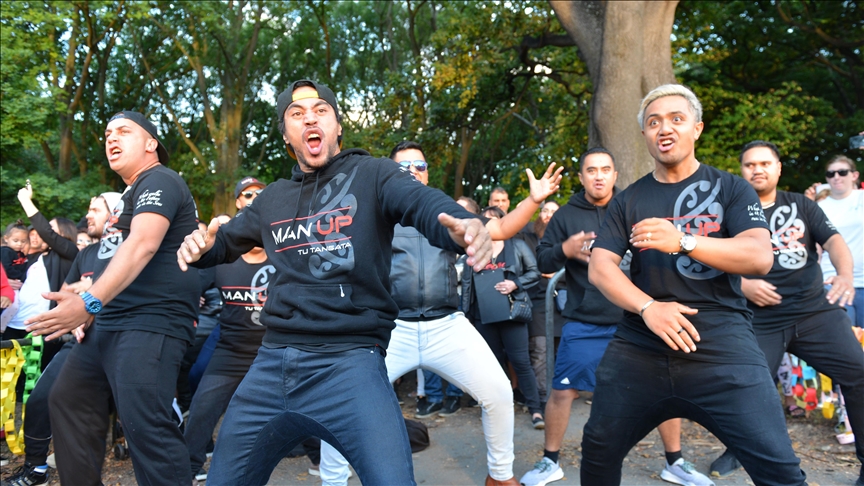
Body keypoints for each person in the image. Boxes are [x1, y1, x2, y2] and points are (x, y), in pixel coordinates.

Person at [175, 79, 494, 486]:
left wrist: (462, 225)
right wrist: (199, 245)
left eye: (321, 109)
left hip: (350, 363)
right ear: (287, 135)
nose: (310, 117)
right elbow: (222, 243)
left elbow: (421, 203)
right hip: (272, 364)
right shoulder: (272, 198)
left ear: (338, 126)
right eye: (297, 113)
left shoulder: (374, 173)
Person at [582, 84, 807, 485]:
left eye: (676, 119)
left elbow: (759, 257)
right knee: (598, 450)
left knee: (780, 469)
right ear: (645, 136)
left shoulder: (732, 188)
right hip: (641, 345)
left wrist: (684, 242)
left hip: (722, 344)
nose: (663, 128)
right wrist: (649, 308)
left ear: (697, 128)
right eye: (653, 123)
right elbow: (601, 268)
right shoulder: (627, 200)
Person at [318, 140, 563, 486]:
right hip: (390, 330)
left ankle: (500, 476)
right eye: (404, 167)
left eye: (419, 166)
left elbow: (500, 230)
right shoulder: (369, 216)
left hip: (447, 326)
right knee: (341, 403)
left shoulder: (443, 211)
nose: (413, 172)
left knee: (498, 392)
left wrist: (534, 200)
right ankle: (332, 481)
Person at [25, 111, 201, 486]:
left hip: (150, 323)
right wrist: (85, 295)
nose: (111, 138)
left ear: (151, 143)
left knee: (146, 427)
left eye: (124, 131)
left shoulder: (161, 180)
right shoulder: (127, 196)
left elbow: (143, 244)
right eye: (107, 133)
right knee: (67, 398)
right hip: (107, 324)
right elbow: (114, 264)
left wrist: (89, 302)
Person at [521, 147, 713, 486]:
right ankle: (550, 461)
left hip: (639, 318)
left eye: (605, 169)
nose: (598, 176)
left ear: (615, 175)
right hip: (585, 319)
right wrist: (566, 249)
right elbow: (543, 262)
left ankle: (675, 461)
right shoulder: (565, 215)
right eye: (591, 170)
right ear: (581, 178)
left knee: (666, 390)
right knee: (563, 391)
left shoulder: (635, 204)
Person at [706, 141, 864, 485]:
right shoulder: (727, 211)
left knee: (859, 373)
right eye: (749, 164)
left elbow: (835, 242)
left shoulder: (802, 204)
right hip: (757, 319)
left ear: (778, 168)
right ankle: (738, 450)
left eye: (765, 163)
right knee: (744, 388)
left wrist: (846, 274)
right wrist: (744, 284)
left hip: (813, 313)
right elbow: (709, 257)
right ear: (741, 171)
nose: (757, 169)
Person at [4, 192, 121, 486]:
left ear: (117, 214)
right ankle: (36, 469)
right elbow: (68, 294)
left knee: (141, 417)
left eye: (95, 209)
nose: (88, 215)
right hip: (81, 344)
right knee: (41, 398)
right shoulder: (85, 255)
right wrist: (73, 314)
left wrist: (90, 302)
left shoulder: (131, 251)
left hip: (123, 343)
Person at [463, 205, 544, 428]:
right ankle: (497, 410)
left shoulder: (516, 245)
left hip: (512, 315)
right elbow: (467, 284)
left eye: (492, 220)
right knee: (492, 365)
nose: (488, 224)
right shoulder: (474, 248)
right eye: (484, 220)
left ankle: (536, 410)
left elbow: (534, 272)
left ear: (502, 222)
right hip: (483, 316)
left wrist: (515, 283)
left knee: (521, 362)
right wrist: (466, 314)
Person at [806, 155, 863, 329]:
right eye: (831, 174)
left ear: (854, 175)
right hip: (833, 283)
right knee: (847, 339)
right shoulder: (818, 207)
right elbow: (815, 249)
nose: (836, 177)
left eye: (842, 172)